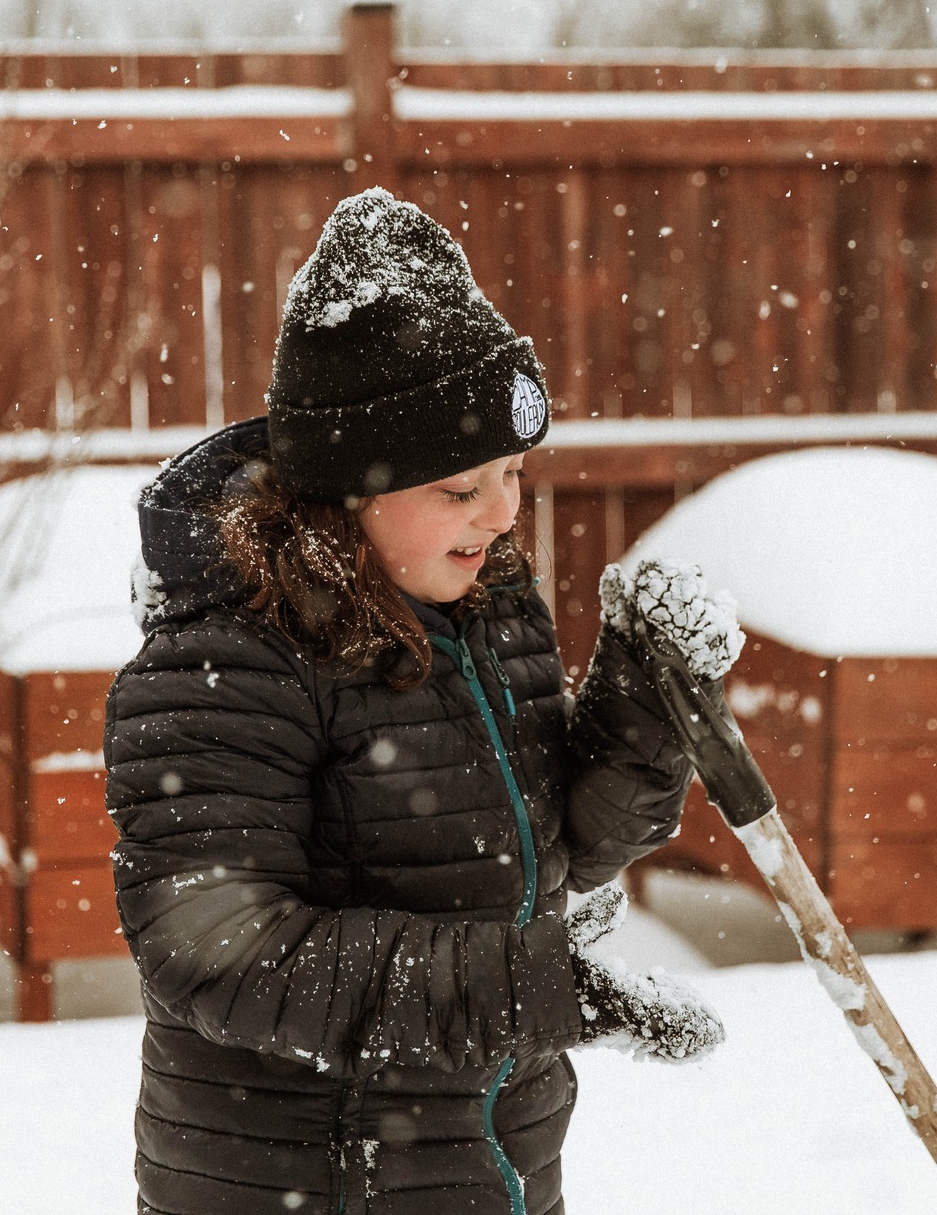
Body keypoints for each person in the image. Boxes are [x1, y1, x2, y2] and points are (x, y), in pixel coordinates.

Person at [105, 187, 725, 1215]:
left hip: (489, 1168)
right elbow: (217, 952)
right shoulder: (225, 656)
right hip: (311, 1183)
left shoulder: (486, 605)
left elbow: (556, 855)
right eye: (459, 487)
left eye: (513, 472)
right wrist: (533, 984)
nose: (502, 511)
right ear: (349, 486)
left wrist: (643, 707)